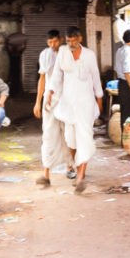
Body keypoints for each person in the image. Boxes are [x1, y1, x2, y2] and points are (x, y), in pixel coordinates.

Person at [46, 27, 103, 194]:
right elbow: (56, 75)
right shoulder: (62, 53)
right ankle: (79, 166)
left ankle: (81, 175)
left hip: (85, 102)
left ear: (80, 39)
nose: (71, 43)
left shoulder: (89, 55)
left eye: (73, 40)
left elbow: (95, 77)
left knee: (84, 137)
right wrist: (50, 91)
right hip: (68, 102)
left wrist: (99, 99)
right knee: (71, 139)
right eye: (68, 40)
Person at [33, 29, 74, 186]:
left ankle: (70, 167)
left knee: (68, 134)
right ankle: (46, 173)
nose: (52, 45)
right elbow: (42, 79)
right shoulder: (45, 54)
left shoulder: (69, 53)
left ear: (61, 39)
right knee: (49, 134)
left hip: (67, 99)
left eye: (55, 42)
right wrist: (38, 101)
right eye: (49, 42)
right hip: (49, 101)